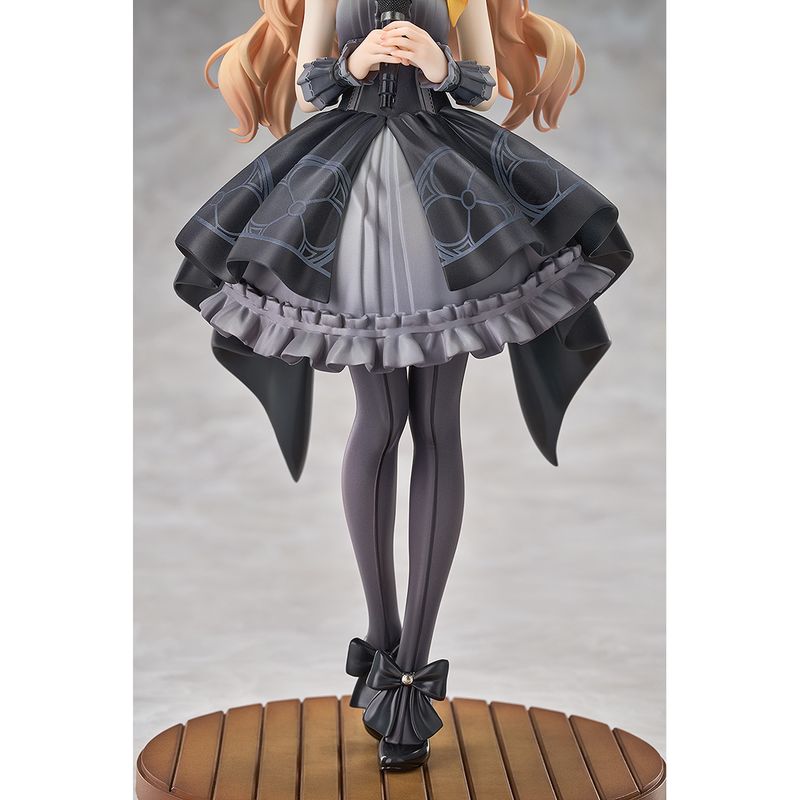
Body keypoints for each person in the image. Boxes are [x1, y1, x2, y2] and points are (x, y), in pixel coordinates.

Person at [173, 0, 633, 770]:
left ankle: (414, 659)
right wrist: (354, 65)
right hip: (357, 197)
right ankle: (382, 640)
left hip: (443, 195)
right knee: (379, 424)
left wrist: (438, 64)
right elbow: (313, 84)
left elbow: (480, 85)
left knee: (438, 424)